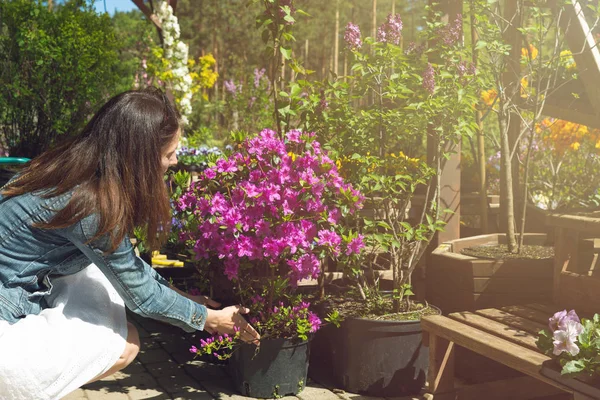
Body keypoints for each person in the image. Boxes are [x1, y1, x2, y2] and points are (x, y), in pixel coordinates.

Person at [0, 88, 259, 400]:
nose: (175, 161)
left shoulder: (74, 170)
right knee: (125, 346)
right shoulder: (91, 204)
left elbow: (129, 265)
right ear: (140, 158)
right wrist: (209, 320)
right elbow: (141, 296)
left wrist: (183, 296)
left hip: (18, 287)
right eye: (169, 154)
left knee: (106, 293)